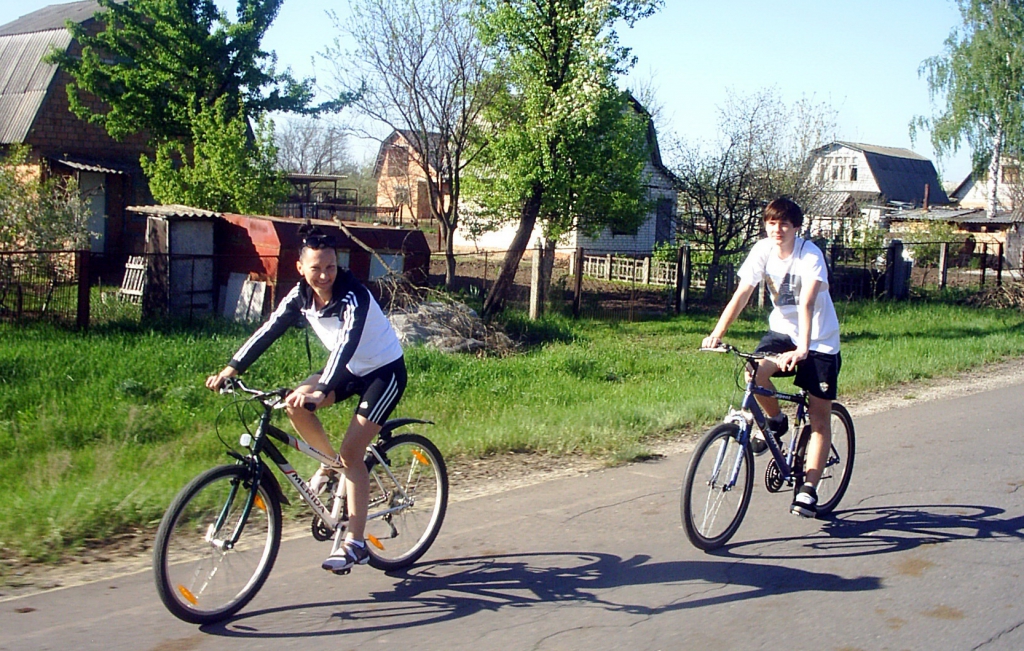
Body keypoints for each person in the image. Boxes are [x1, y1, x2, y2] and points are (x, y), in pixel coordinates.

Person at [206, 226, 406, 572]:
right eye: (316, 268)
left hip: (383, 372)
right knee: (293, 404)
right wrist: (231, 369)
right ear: (300, 268)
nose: (324, 275)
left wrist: (322, 388)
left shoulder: (353, 295)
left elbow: (346, 344)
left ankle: (355, 543)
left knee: (352, 452)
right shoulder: (299, 296)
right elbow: (268, 330)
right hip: (348, 369)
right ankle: (330, 466)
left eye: (330, 267)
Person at [701, 197, 841, 518]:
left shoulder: (810, 255)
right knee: (754, 373)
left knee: (819, 418)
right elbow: (742, 293)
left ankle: (809, 490)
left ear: (796, 227)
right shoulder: (762, 250)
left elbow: (807, 303)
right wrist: (717, 333)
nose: (777, 230)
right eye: (772, 223)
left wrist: (803, 349)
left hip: (819, 341)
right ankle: (776, 422)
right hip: (782, 334)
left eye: (784, 224)